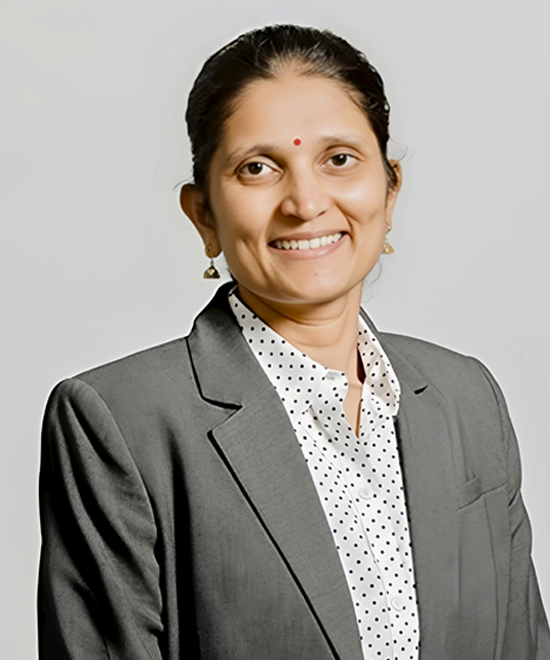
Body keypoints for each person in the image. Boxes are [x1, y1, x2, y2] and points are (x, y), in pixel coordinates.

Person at [37, 23, 550, 660]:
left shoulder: (468, 399)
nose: (305, 203)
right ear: (204, 215)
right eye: (258, 168)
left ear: (390, 190)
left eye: (339, 160)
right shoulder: (121, 423)